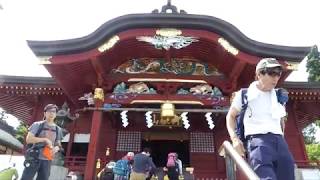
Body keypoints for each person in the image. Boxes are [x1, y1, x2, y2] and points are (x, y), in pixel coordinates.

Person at [226, 58, 295, 180]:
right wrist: (235, 139)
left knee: (288, 176)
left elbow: (281, 120)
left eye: (278, 74)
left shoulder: (279, 96)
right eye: (271, 73)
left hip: (280, 141)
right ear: (259, 74)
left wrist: (282, 138)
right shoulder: (244, 95)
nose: (276, 78)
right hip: (258, 141)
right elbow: (230, 116)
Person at [21, 104, 63, 180]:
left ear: (56, 114)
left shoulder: (58, 129)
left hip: (47, 159)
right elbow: (29, 139)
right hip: (34, 157)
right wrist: (45, 140)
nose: (51, 113)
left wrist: (56, 148)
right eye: (49, 111)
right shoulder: (37, 125)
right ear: (44, 113)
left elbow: (59, 144)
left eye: (54, 111)